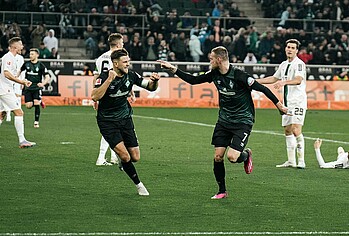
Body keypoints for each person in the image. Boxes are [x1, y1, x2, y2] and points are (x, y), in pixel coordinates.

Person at [158, 46, 289, 199]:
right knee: (218, 157)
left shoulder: (240, 76)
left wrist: (279, 105)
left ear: (219, 60)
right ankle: (222, 191)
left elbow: (262, 89)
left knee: (233, 157)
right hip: (224, 121)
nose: (210, 62)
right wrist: (173, 69)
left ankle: (246, 156)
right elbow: (193, 80)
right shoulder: (214, 74)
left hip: (243, 120)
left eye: (211, 59)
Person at [91, 48, 160, 196]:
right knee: (125, 156)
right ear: (115, 63)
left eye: (128, 61)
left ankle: (124, 163)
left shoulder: (132, 75)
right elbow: (95, 96)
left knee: (135, 157)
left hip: (125, 119)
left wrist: (155, 82)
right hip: (108, 122)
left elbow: (150, 87)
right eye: (125, 62)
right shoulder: (104, 77)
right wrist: (109, 80)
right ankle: (139, 185)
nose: (128, 64)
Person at [258, 39, 307, 169]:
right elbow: (274, 78)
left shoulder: (299, 64)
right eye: (288, 47)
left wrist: (283, 83)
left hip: (298, 101)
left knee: (296, 129)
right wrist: (256, 82)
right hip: (286, 103)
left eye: (292, 47)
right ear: (285, 49)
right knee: (287, 130)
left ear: (297, 50)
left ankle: (301, 160)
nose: (289, 49)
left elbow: (298, 80)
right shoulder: (283, 64)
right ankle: (291, 161)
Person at [93, 33, 136, 166]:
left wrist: (95, 98)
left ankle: (114, 157)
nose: (123, 45)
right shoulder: (120, 59)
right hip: (112, 96)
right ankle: (101, 157)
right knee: (112, 126)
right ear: (117, 44)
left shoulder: (100, 58)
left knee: (113, 127)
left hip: (104, 93)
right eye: (122, 43)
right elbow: (123, 77)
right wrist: (130, 92)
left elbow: (96, 78)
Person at [0, 37, 36, 148]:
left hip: (4, 88)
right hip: (5, 90)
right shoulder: (8, 57)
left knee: (1, 115)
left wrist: (23, 81)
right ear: (15, 47)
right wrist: (21, 81)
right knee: (19, 113)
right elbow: (6, 73)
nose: (22, 47)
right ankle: (22, 140)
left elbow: (11, 74)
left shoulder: (14, 58)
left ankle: (22, 140)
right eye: (20, 45)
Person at [19, 48, 50, 128]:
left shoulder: (41, 65)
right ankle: (40, 102)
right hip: (28, 88)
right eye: (30, 54)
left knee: (36, 102)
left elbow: (47, 77)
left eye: (32, 54)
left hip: (36, 88)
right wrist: (18, 80)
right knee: (28, 106)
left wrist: (42, 83)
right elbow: (19, 71)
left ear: (37, 55)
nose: (30, 56)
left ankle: (36, 122)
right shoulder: (26, 64)